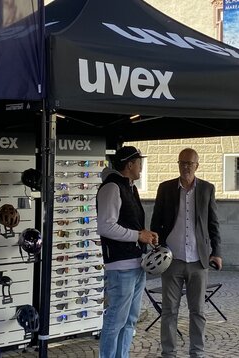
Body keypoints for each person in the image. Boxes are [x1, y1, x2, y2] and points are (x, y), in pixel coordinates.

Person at [150, 148, 222, 358]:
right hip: (171, 259)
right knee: (169, 310)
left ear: (197, 165)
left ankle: (197, 352)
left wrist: (216, 252)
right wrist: (157, 247)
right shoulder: (165, 188)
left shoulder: (207, 189)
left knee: (197, 311)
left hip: (198, 261)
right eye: (182, 162)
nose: (185, 167)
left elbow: (213, 223)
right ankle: (168, 353)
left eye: (189, 163)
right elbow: (156, 221)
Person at [96, 146, 159, 358]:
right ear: (129, 164)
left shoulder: (129, 187)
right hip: (120, 266)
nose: (141, 166)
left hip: (136, 263)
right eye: (139, 162)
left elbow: (129, 225)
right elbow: (105, 226)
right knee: (116, 320)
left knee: (130, 320)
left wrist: (145, 235)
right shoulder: (111, 188)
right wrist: (138, 235)